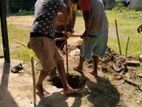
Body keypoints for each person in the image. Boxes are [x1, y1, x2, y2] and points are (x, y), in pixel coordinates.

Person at [28, 0, 78, 97]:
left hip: (43, 36)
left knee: (59, 61)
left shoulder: (39, 1)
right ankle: (38, 85)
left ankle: (66, 87)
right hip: (43, 37)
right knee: (48, 67)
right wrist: (69, 3)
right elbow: (66, 17)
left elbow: (41, 18)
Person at [72, 0, 108, 77]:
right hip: (103, 29)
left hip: (94, 30)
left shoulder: (84, 0)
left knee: (83, 48)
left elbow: (87, 16)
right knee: (96, 51)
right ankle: (95, 71)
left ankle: (80, 67)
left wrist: (86, 32)